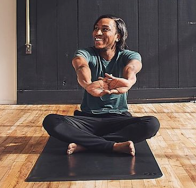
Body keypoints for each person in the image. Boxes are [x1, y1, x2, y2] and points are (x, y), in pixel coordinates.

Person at [42, 15, 160, 156]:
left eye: (104, 29)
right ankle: (112, 145)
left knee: (151, 124)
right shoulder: (85, 53)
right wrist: (87, 85)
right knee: (51, 121)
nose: (97, 33)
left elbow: (132, 68)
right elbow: (81, 66)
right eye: (96, 28)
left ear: (118, 36)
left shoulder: (128, 55)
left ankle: (87, 145)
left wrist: (129, 82)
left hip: (118, 119)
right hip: (86, 120)